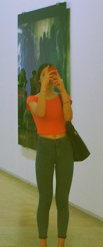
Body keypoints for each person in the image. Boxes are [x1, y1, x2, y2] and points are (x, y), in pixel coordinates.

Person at [27, 64, 73, 247]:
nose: (50, 78)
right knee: (45, 198)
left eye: (53, 75)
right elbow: (41, 112)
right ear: (39, 79)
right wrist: (44, 88)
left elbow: (68, 118)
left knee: (62, 199)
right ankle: (43, 243)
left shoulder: (62, 97)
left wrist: (63, 89)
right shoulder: (32, 99)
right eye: (45, 75)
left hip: (64, 148)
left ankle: (61, 243)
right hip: (44, 148)